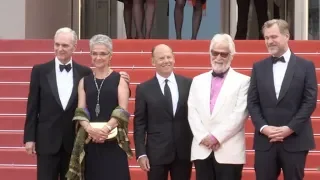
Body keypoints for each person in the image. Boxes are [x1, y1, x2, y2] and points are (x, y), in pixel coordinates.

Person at [23, 28, 131, 180]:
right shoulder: (39, 71)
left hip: (73, 141)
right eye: (57, 44)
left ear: (74, 47)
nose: (60, 49)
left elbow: (105, 90)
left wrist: (124, 79)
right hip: (47, 140)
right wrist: (29, 138)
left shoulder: (84, 73)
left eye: (65, 45)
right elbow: (32, 106)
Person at [247, 19, 317, 180]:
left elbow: (309, 101)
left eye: (274, 36)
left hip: (295, 140)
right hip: (266, 141)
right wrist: (264, 127)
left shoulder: (306, 66)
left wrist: (289, 128)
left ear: (287, 36)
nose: (269, 41)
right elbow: (252, 102)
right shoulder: (258, 67)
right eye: (266, 38)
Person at [66, 34, 133, 180]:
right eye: (94, 53)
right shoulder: (84, 81)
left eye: (103, 54)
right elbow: (80, 111)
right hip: (90, 142)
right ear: (90, 55)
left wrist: (105, 130)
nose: (98, 57)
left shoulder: (119, 79)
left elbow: (122, 110)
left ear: (110, 56)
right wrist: (90, 130)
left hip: (113, 142)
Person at [188, 33, 249, 180]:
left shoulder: (244, 81)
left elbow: (239, 115)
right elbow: (192, 112)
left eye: (224, 54)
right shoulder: (197, 80)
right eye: (215, 53)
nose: (218, 58)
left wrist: (216, 137)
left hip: (229, 150)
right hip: (202, 149)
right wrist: (204, 137)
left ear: (232, 55)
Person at [133, 44, 193, 180]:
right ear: (153, 61)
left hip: (183, 152)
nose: (166, 61)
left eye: (168, 57)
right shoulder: (144, 89)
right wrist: (141, 153)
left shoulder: (188, 84)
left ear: (174, 58)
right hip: (156, 153)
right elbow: (140, 124)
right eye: (161, 58)